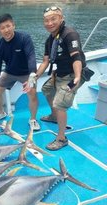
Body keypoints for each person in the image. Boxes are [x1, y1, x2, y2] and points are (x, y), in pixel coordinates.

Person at [34, 6, 86, 150]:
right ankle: (54, 116)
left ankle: (62, 138)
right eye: (46, 20)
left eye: (53, 19)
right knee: (47, 89)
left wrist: (77, 76)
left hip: (73, 75)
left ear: (61, 18)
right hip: (60, 73)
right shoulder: (50, 40)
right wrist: (36, 76)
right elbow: (45, 61)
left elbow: (76, 57)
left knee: (60, 103)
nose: (49, 23)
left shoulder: (70, 34)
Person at [0, 13, 40, 131]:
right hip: (10, 72)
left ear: (13, 25)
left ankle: (33, 119)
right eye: (2, 28)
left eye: (8, 26)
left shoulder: (24, 38)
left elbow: (31, 56)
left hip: (27, 73)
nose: (6, 30)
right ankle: (1, 112)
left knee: (32, 92)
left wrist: (32, 73)